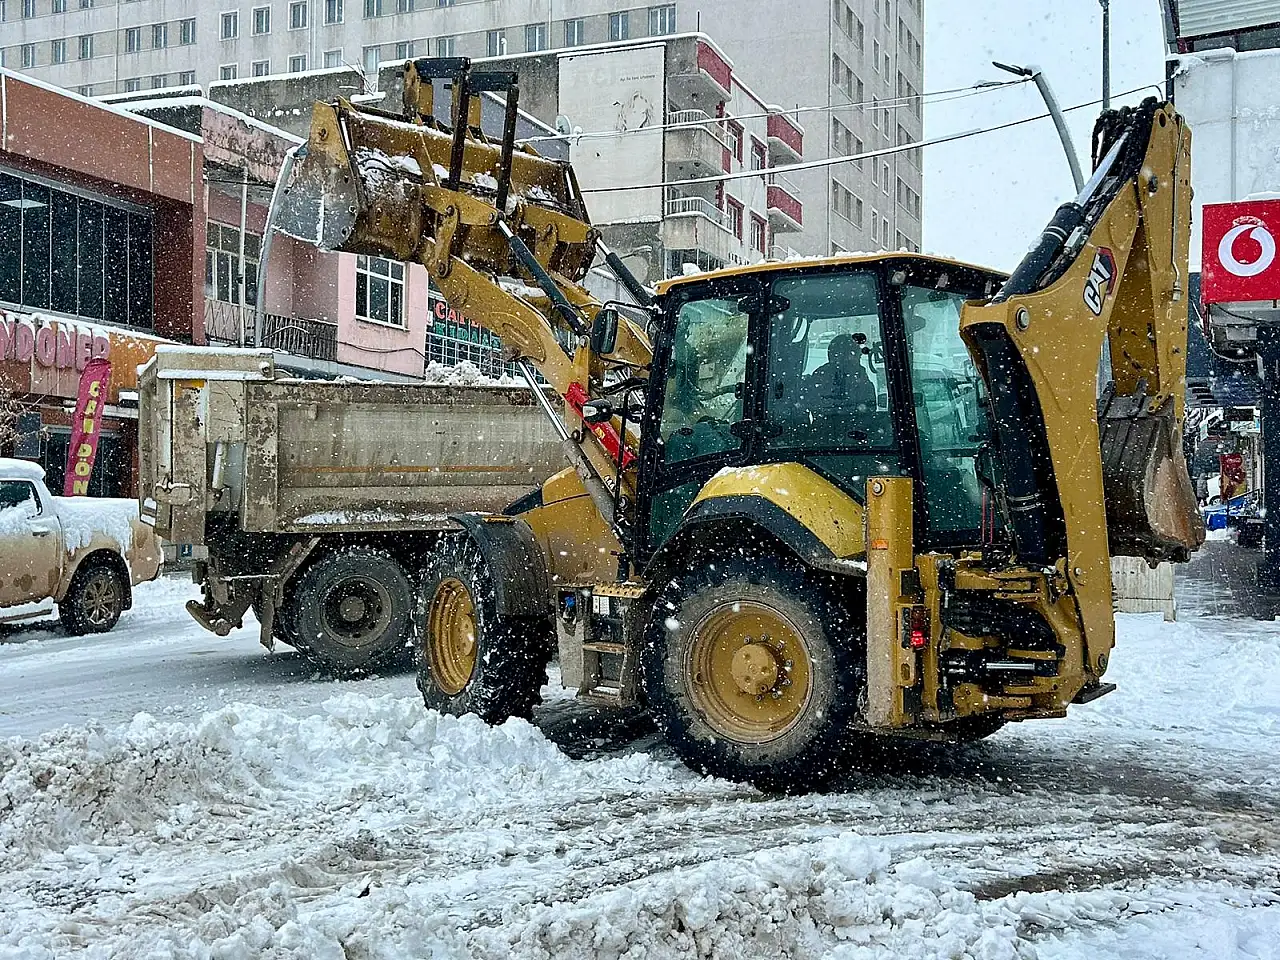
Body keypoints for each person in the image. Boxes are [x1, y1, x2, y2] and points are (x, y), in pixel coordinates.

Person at [804, 332, 876, 413]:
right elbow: (822, 407)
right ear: (840, 355)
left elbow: (870, 404)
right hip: (833, 424)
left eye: (858, 352)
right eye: (854, 352)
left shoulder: (860, 374)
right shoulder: (824, 376)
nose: (859, 356)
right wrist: (854, 409)